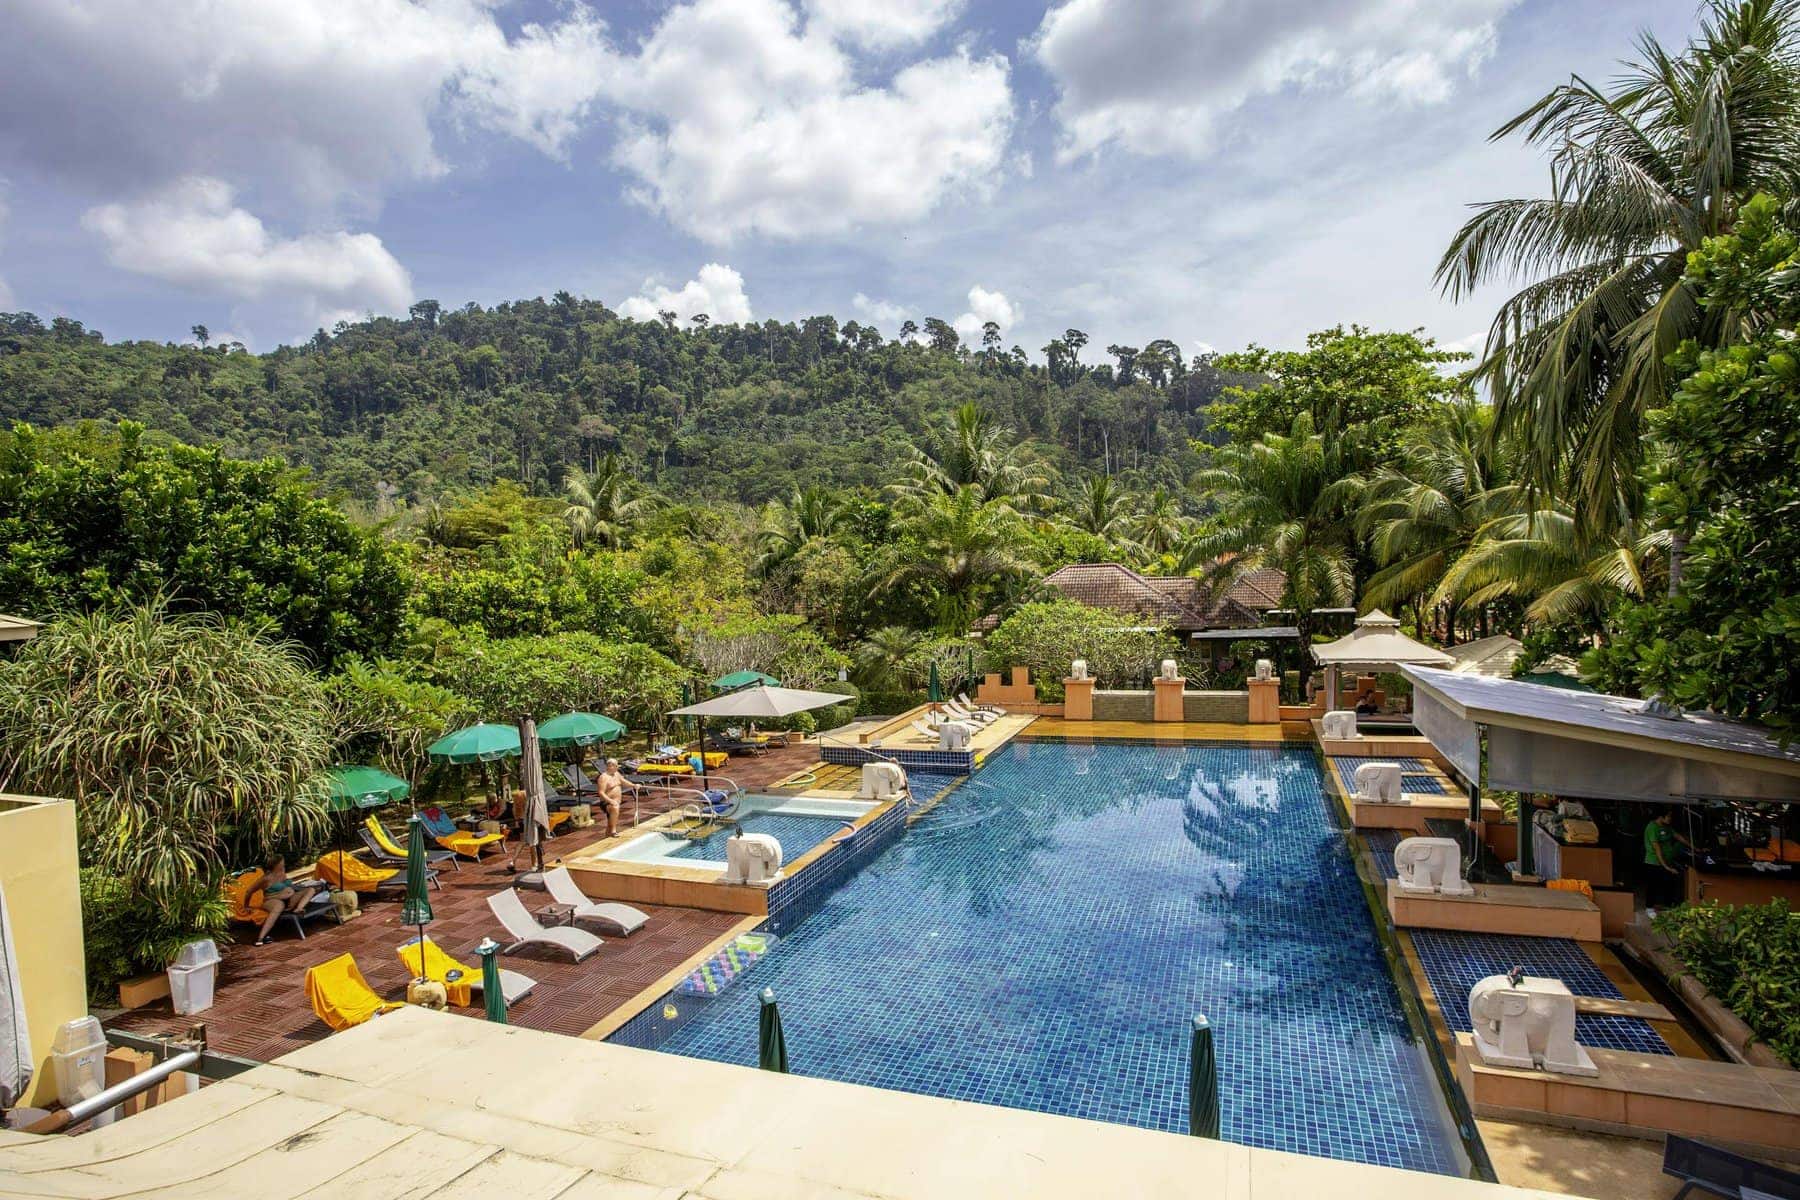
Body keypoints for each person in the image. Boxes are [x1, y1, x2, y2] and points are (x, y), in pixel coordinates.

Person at [254, 856, 320, 946]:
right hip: (272, 901)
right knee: (279, 905)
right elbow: (249, 891)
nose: (283, 864)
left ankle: (299, 908)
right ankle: (260, 937)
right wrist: (246, 906)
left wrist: (300, 890)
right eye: (282, 862)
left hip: (289, 901)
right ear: (276, 865)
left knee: (311, 890)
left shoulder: (283, 874)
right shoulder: (266, 878)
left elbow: (291, 887)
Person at [1642, 809, 1691, 913]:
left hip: (1667, 861)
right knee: (1653, 886)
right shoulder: (1652, 828)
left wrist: (1695, 848)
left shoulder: (1667, 827)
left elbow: (1678, 837)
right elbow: (1657, 848)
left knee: (1668, 884)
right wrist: (1666, 867)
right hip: (1654, 862)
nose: (1670, 819)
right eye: (1668, 816)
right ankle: (1649, 908)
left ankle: (1668, 906)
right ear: (1661, 817)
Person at [596, 757, 626, 837]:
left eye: (617, 766)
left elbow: (623, 781)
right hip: (606, 802)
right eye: (615, 766)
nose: (616, 767)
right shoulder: (603, 777)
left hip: (616, 801)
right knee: (615, 808)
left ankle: (607, 836)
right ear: (609, 766)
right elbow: (601, 792)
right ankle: (613, 831)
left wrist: (634, 785)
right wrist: (610, 801)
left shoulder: (616, 774)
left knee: (610, 821)